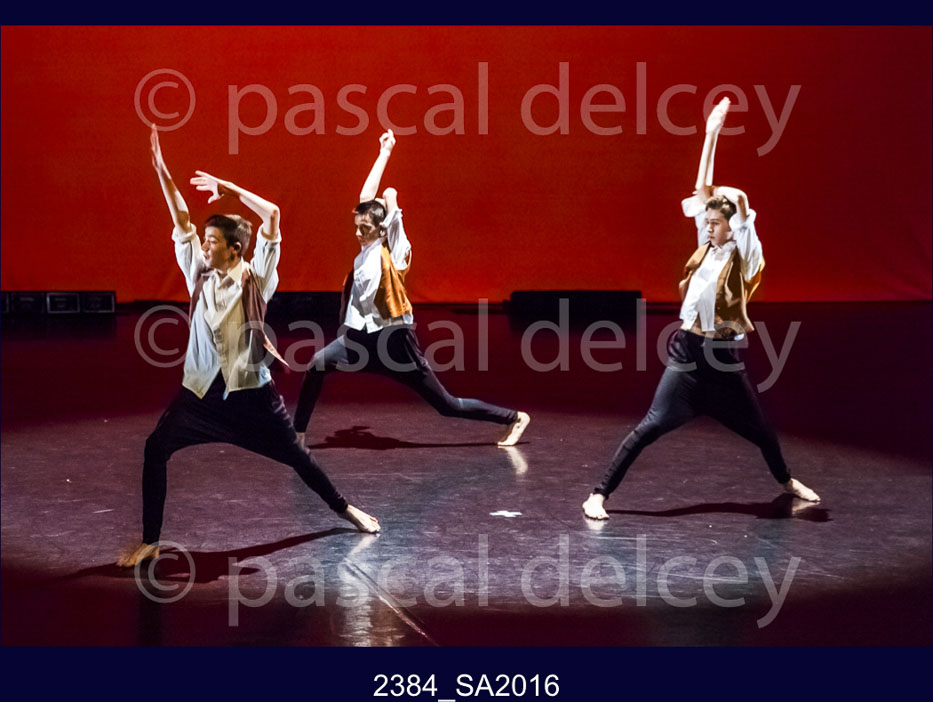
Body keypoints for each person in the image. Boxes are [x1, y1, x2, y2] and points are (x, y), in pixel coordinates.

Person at [117, 126, 379, 568]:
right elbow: (181, 219)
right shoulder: (198, 271)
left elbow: (272, 215)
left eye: (213, 241)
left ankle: (344, 509)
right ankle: (151, 541)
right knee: (155, 448)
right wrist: (161, 170)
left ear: (235, 249)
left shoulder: (259, 277)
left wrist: (231, 189)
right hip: (200, 395)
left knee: (297, 457)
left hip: (251, 395)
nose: (204, 244)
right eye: (205, 240)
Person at [582, 98, 819, 521]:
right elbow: (702, 189)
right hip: (689, 353)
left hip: (724, 359)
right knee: (651, 425)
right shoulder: (706, 245)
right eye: (705, 222)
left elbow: (739, 202)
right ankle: (598, 495)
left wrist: (731, 196)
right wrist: (711, 134)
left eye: (715, 223)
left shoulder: (746, 252)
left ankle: (786, 480)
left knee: (761, 431)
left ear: (732, 225)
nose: (706, 227)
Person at [293, 130, 530, 447]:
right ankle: (297, 435)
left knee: (447, 405)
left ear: (382, 228)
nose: (358, 234)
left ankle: (513, 418)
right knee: (316, 364)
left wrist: (391, 198)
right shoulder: (367, 248)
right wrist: (384, 153)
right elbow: (365, 197)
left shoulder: (395, 251)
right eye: (357, 228)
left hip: (394, 341)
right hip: (360, 338)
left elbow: (391, 215)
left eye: (365, 229)